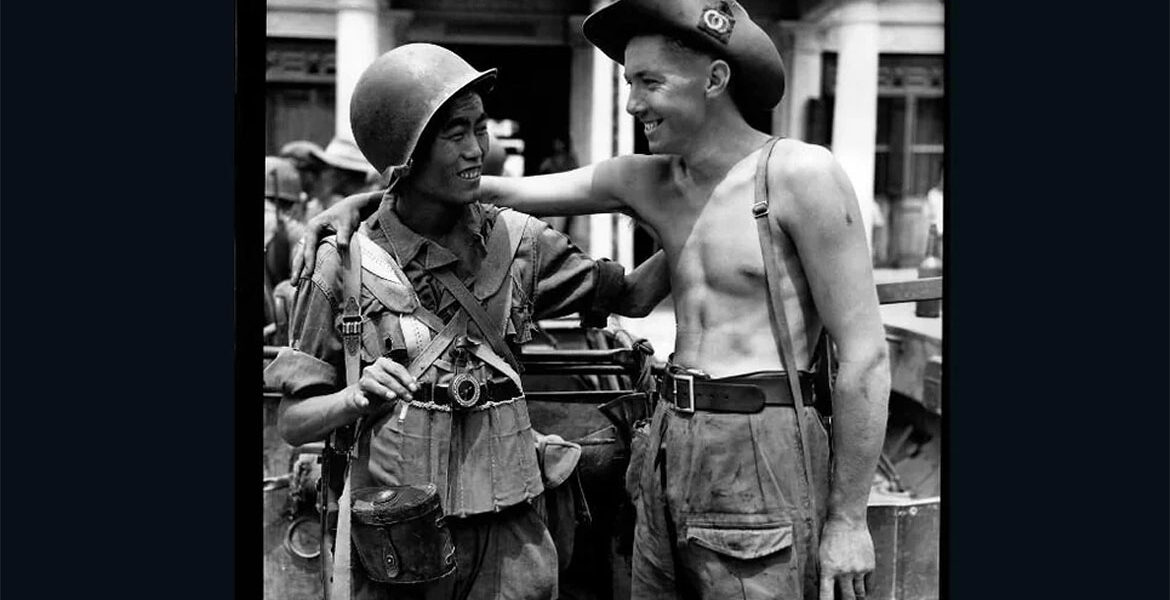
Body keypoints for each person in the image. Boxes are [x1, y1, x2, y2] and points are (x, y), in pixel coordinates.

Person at [296, 1, 891, 598]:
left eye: (648, 82)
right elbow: (493, 186)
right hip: (665, 439)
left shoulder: (801, 176)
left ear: (714, 80)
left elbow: (864, 356)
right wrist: (365, 205)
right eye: (630, 82)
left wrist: (847, 520)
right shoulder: (647, 181)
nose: (633, 103)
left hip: (762, 440)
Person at [265, 43, 670, 600]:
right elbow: (293, 421)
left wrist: (703, 203)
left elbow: (636, 295)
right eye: (456, 132)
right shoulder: (343, 263)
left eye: (480, 128)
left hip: (514, 549)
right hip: (400, 553)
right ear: (406, 152)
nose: (478, 148)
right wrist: (355, 397)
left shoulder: (520, 244)